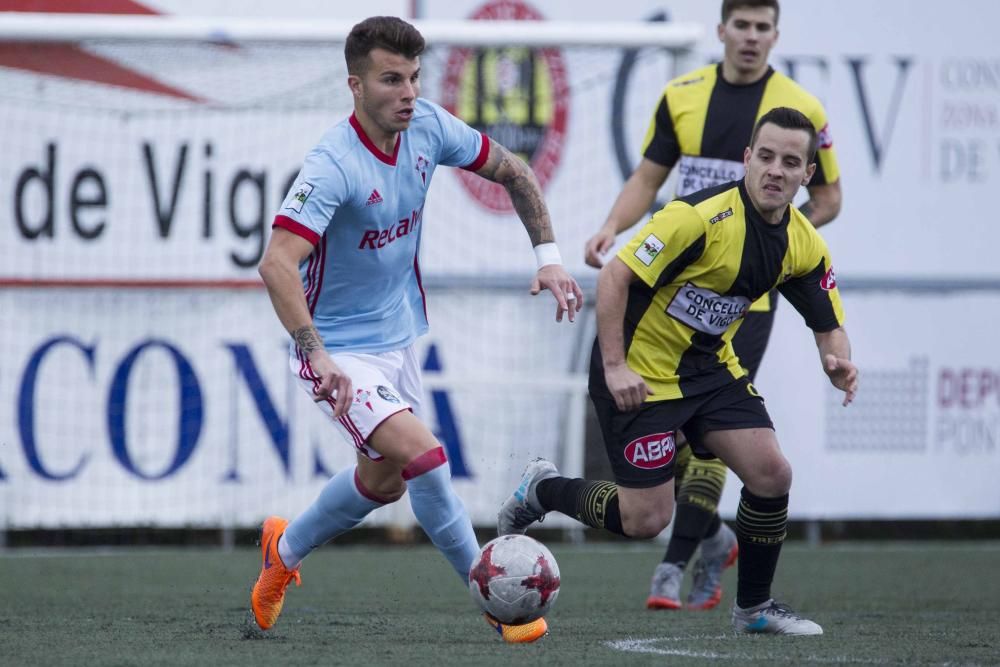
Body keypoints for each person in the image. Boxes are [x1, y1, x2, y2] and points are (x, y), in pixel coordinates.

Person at [249, 16, 583, 644]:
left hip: (398, 339)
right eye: (390, 79)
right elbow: (275, 264)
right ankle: (491, 597)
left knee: (379, 483)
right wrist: (318, 356)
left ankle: (282, 552)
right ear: (355, 85)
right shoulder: (331, 166)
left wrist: (549, 258)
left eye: (413, 77)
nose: (408, 92)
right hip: (339, 352)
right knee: (427, 461)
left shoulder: (428, 125)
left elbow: (516, 173)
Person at [500, 107, 858, 635]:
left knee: (771, 474)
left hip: (710, 369)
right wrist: (616, 365)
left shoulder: (804, 242)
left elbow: (829, 325)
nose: (775, 171)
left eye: (790, 162)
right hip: (639, 372)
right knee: (645, 520)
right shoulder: (695, 217)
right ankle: (543, 489)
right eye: (765, 157)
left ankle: (754, 609)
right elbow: (617, 278)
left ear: (808, 174)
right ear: (746, 159)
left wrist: (837, 362)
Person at [584, 0, 843, 611]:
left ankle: (677, 569)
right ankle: (709, 539)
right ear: (722, 30)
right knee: (670, 460)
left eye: (763, 28)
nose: (751, 38)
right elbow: (649, 177)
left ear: (776, 36)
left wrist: (772, 244)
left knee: (729, 445)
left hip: (742, 308)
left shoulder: (802, 111)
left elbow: (830, 198)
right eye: (742, 26)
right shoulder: (682, 94)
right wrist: (611, 226)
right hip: (675, 290)